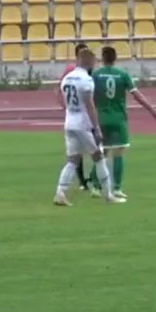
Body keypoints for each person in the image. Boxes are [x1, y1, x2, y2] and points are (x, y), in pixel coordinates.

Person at [92, 45, 156, 199]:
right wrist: (153, 111)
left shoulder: (96, 75)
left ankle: (96, 186)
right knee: (119, 152)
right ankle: (117, 187)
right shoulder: (122, 74)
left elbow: (89, 96)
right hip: (118, 119)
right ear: (115, 58)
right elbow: (137, 96)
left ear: (102, 58)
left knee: (102, 153)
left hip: (101, 118)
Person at [54, 48, 122, 205]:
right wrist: (96, 127)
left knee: (72, 159)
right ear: (90, 62)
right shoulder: (86, 80)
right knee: (99, 157)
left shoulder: (67, 78)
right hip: (83, 124)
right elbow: (89, 105)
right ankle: (108, 194)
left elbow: (65, 99)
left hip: (69, 122)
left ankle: (60, 193)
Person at [58, 42, 100, 196]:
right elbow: (61, 88)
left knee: (75, 157)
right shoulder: (73, 71)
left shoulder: (86, 71)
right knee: (95, 155)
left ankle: (62, 191)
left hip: (75, 119)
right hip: (81, 119)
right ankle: (90, 184)